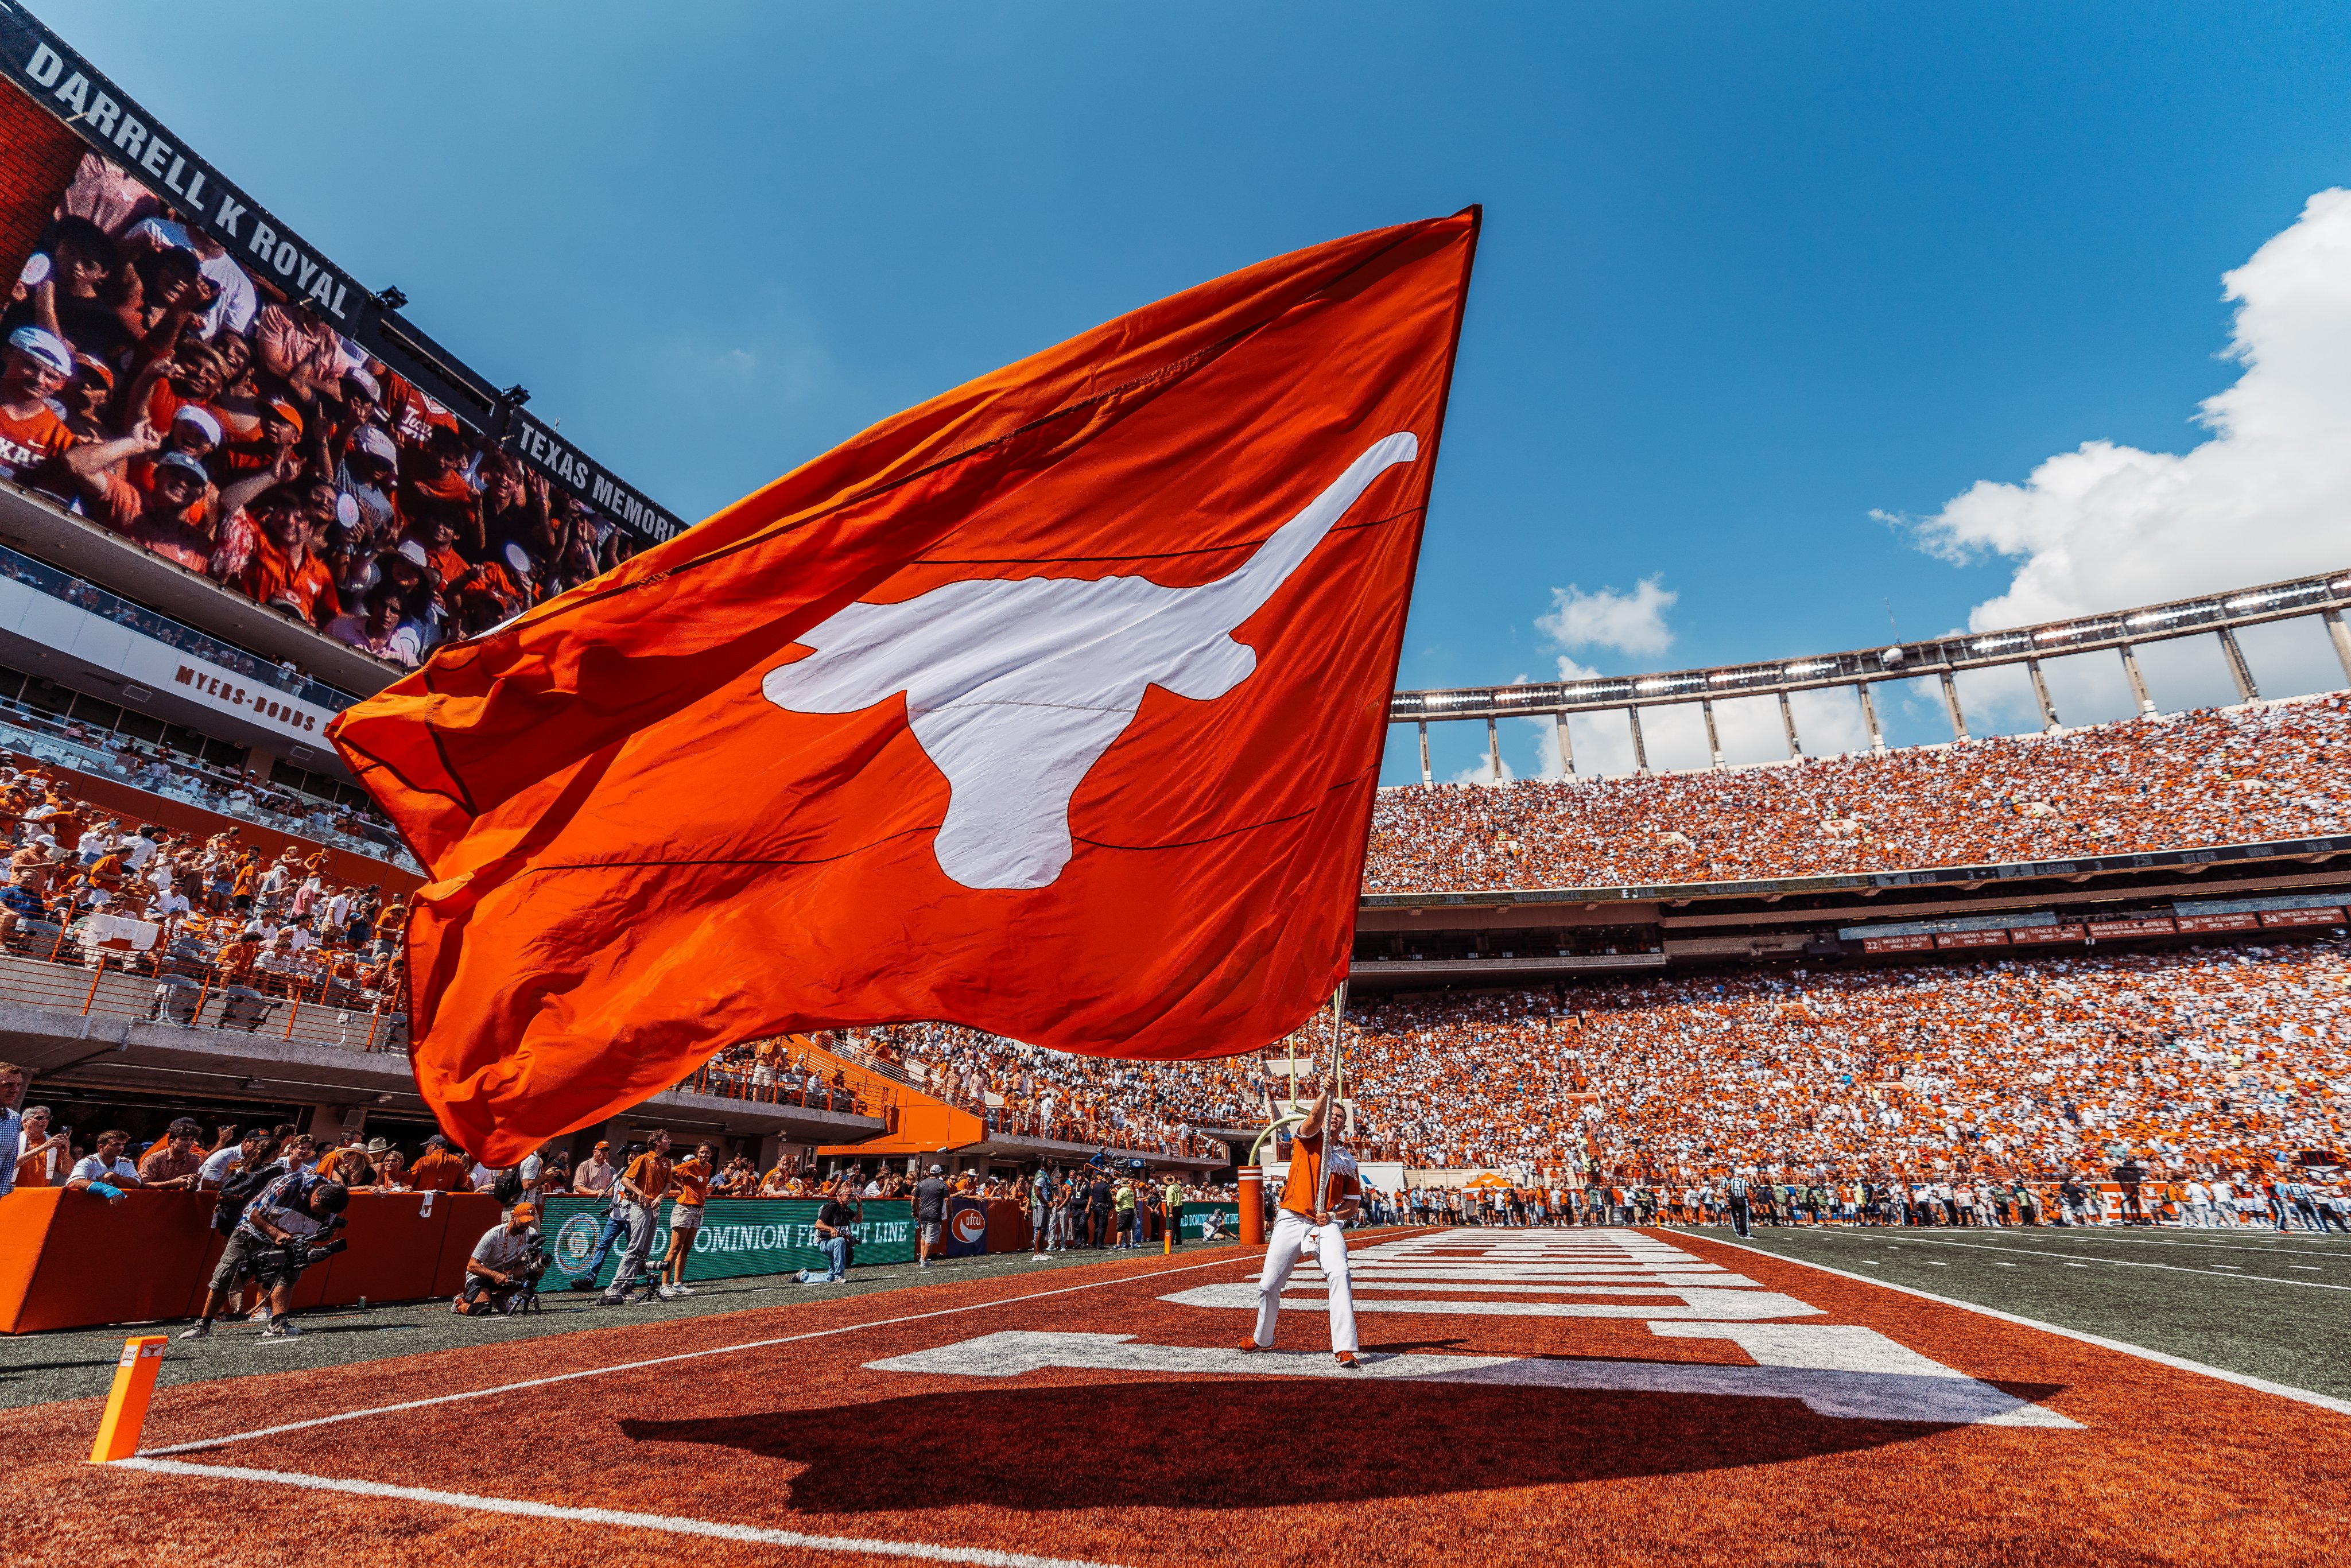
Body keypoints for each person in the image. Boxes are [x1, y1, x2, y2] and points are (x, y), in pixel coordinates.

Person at [1242, 1087, 1362, 1368]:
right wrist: (1325, 1094)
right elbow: (1312, 1120)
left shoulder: (1348, 1159)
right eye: (1331, 1113)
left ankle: (1344, 1347)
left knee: (1340, 1273)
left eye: (1340, 1116)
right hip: (1292, 1217)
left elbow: (1352, 1204)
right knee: (1269, 1284)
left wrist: (1335, 1218)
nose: (1335, 1118)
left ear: (1345, 1124)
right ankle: (1262, 1338)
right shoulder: (1308, 1138)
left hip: (1325, 1222)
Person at [180, 1169, 347, 1340]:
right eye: (321, 1211)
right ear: (317, 1198)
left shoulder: (332, 1200)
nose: (321, 1215)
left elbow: (324, 1226)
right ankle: (203, 1324)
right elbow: (255, 1215)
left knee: (290, 1273)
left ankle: (278, 1323)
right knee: (226, 1273)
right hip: (252, 1232)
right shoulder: (290, 1184)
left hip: (291, 1238)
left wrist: (321, 1237)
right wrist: (277, 1234)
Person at [598, 1130, 673, 1306]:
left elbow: (668, 1185)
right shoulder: (642, 1159)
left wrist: (660, 1198)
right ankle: (615, 1286)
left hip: (655, 1208)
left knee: (645, 1250)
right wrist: (640, 1193)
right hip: (640, 1208)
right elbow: (625, 1181)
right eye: (666, 1139)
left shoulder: (667, 1162)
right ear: (657, 1142)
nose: (670, 1141)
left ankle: (627, 1286)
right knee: (635, 1247)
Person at [455, 1203, 542, 1316]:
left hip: (507, 1274)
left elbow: (536, 1260)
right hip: (482, 1276)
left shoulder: (531, 1233)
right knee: (481, 1310)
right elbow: (472, 1266)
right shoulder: (493, 1235)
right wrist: (495, 1275)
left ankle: (501, 1298)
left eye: (530, 1220)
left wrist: (541, 1261)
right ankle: (459, 1304)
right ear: (513, 1217)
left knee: (536, 1269)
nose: (526, 1224)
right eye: (523, 1220)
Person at [659, 1143, 712, 1299]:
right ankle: (664, 1285)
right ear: (697, 1153)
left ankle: (678, 1284)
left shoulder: (708, 1167)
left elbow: (699, 1186)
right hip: (684, 1208)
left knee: (686, 1248)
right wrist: (678, 1186)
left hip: (698, 1210)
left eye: (707, 1152)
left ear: (711, 1154)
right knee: (675, 1247)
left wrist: (704, 1190)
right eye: (702, 1152)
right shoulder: (689, 1165)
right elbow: (669, 1173)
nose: (704, 1155)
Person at [797, 1177, 859, 1285]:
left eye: (852, 1195)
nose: (852, 1197)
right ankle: (839, 1276)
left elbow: (858, 1220)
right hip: (826, 1243)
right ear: (840, 1196)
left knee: (830, 1276)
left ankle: (803, 1276)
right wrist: (831, 1229)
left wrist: (860, 1205)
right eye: (849, 1195)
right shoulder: (832, 1206)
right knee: (840, 1241)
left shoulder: (845, 1209)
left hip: (835, 1243)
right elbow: (818, 1224)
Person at [67, 1130, 143, 1202]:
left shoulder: (126, 1163)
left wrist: (113, 1175)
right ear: (101, 1147)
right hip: (89, 1205)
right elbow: (74, 1182)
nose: (121, 1147)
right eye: (116, 1144)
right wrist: (106, 1189)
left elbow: (136, 1184)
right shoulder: (88, 1162)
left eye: (123, 1144)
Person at [913, 1163, 948, 1268]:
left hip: (923, 1213)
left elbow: (913, 1198)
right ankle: (924, 1260)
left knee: (924, 1235)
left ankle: (922, 1258)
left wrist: (914, 1210)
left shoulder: (922, 1183)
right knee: (930, 1237)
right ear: (939, 1174)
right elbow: (948, 1199)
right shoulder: (942, 1184)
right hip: (934, 1214)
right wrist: (951, 1212)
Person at [1030, 1165, 1054, 1261]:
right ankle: (1036, 1253)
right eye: (1049, 1162)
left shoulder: (1044, 1175)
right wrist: (1047, 1203)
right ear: (1043, 1164)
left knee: (1043, 1229)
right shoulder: (1041, 1176)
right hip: (1040, 1204)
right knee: (1040, 1228)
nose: (1051, 1163)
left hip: (1044, 1205)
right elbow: (1038, 1192)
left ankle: (1041, 1252)